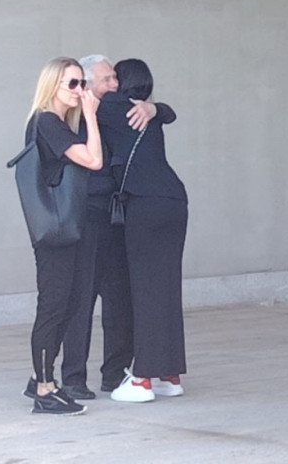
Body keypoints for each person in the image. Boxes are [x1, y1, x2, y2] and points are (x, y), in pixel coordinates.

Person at [58, 54, 177, 399]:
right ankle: (73, 379)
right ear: (86, 85)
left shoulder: (119, 110)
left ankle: (115, 374)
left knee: (120, 298)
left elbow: (166, 113)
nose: (115, 84)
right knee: (81, 299)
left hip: (119, 216)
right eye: (107, 79)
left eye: (115, 78)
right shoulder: (73, 117)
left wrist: (154, 108)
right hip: (86, 216)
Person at [97, 58, 188, 403]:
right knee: (165, 289)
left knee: (145, 289)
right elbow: (170, 113)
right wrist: (156, 107)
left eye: (113, 77)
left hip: (145, 205)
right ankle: (169, 375)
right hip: (173, 201)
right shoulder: (143, 111)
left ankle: (142, 379)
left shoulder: (112, 106)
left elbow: (84, 103)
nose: (110, 83)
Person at [22, 57, 103, 415]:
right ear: (52, 85)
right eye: (72, 83)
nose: (79, 91)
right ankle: (44, 389)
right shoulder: (48, 122)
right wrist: (91, 116)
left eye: (82, 83)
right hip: (55, 230)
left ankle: (39, 378)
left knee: (67, 303)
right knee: (54, 305)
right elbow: (94, 160)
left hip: (63, 228)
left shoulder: (55, 124)